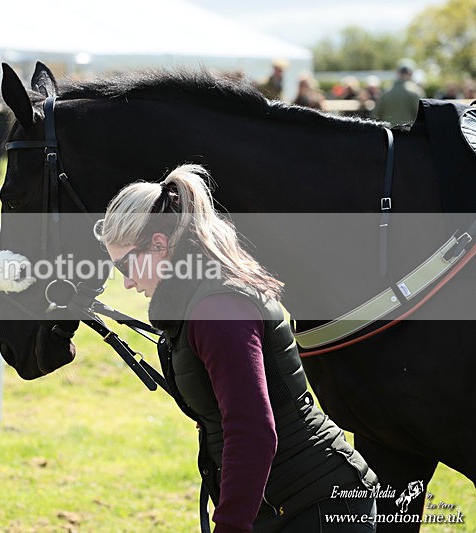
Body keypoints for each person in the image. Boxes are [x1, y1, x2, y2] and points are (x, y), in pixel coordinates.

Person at [95, 164, 378, 532]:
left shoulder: (217, 308)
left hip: (315, 507)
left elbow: (252, 432)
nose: (128, 282)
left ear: (160, 245)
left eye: (125, 266)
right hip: (285, 505)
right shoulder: (198, 298)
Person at [373, 59, 426, 126]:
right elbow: (423, 115)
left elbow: (374, 115)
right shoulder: (416, 91)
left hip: (388, 133)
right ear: (411, 74)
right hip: (409, 134)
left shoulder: (386, 91)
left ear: (398, 73)